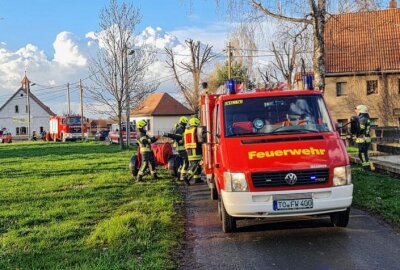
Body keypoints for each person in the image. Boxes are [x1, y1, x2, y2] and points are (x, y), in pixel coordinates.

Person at [163, 116, 190, 182]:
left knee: (181, 163)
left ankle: (178, 177)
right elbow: (178, 138)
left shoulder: (181, 129)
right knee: (186, 162)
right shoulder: (179, 129)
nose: (185, 124)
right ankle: (183, 176)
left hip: (180, 148)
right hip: (180, 148)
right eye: (185, 123)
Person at [184, 117, 203, 184]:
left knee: (194, 164)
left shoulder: (187, 130)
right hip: (196, 149)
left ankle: (197, 179)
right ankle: (187, 176)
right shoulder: (195, 130)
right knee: (196, 165)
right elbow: (200, 139)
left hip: (189, 150)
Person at [354, 105, 371, 171]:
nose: (356, 111)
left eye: (357, 110)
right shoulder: (365, 118)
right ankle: (366, 167)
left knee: (362, 154)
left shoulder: (362, 119)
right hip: (365, 139)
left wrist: (353, 129)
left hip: (363, 139)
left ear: (361, 111)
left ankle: (366, 168)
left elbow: (360, 129)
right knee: (363, 154)